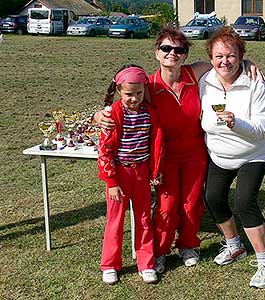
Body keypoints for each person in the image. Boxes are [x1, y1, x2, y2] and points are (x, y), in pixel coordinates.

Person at [95, 27, 259, 274]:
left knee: (192, 204)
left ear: (185, 55)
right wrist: (99, 115)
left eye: (179, 49)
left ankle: (188, 245)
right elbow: (122, 101)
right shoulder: (147, 85)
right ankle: (160, 251)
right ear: (156, 53)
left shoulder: (195, 73)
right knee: (167, 206)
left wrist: (246, 62)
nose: (172, 53)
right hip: (165, 156)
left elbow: (224, 61)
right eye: (166, 48)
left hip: (195, 152)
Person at [199, 27, 265, 289]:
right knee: (212, 197)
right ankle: (234, 245)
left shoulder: (258, 84)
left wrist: (236, 123)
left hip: (254, 152)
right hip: (220, 153)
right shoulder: (205, 81)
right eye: (219, 56)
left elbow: (259, 132)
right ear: (210, 57)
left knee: (244, 202)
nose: (225, 62)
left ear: (241, 56)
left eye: (231, 56)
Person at [97, 65, 163, 285]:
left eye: (139, 93)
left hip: (142, 173)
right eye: (128, 94)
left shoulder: (149, 113)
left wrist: (155, 171)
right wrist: (112, 181)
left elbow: (155, 144)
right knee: (115, 220)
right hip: (120, 174)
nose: (134, 98)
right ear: (118, 91)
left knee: (144, 219)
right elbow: (104, 150)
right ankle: (110, 264)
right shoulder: (113, 114)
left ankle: (146, 263)